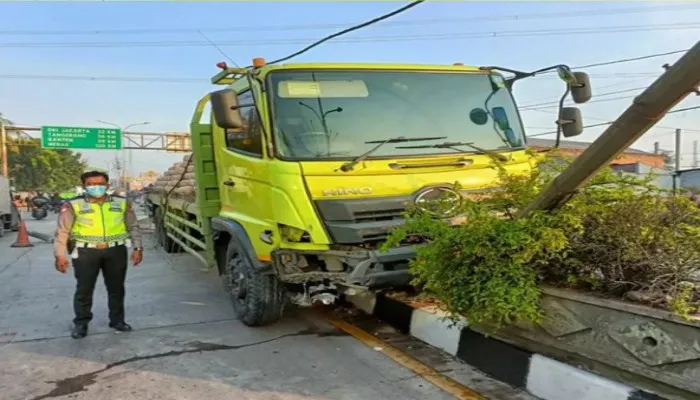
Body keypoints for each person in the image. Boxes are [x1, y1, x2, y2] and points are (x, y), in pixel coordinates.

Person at [53, 171, 144, 339]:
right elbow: (62, 231)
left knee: (117, 288)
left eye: (100, 184)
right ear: (84, 186)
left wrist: (138, 248)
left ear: (107, 185)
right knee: (84, 289)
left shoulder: (122, 203)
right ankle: (81, 323)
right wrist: (60, 255)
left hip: (115, 251)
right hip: (85, 252)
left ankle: (117, 320)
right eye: (91, 184)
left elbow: (133, 227)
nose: (97, 187)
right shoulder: (74, 204)